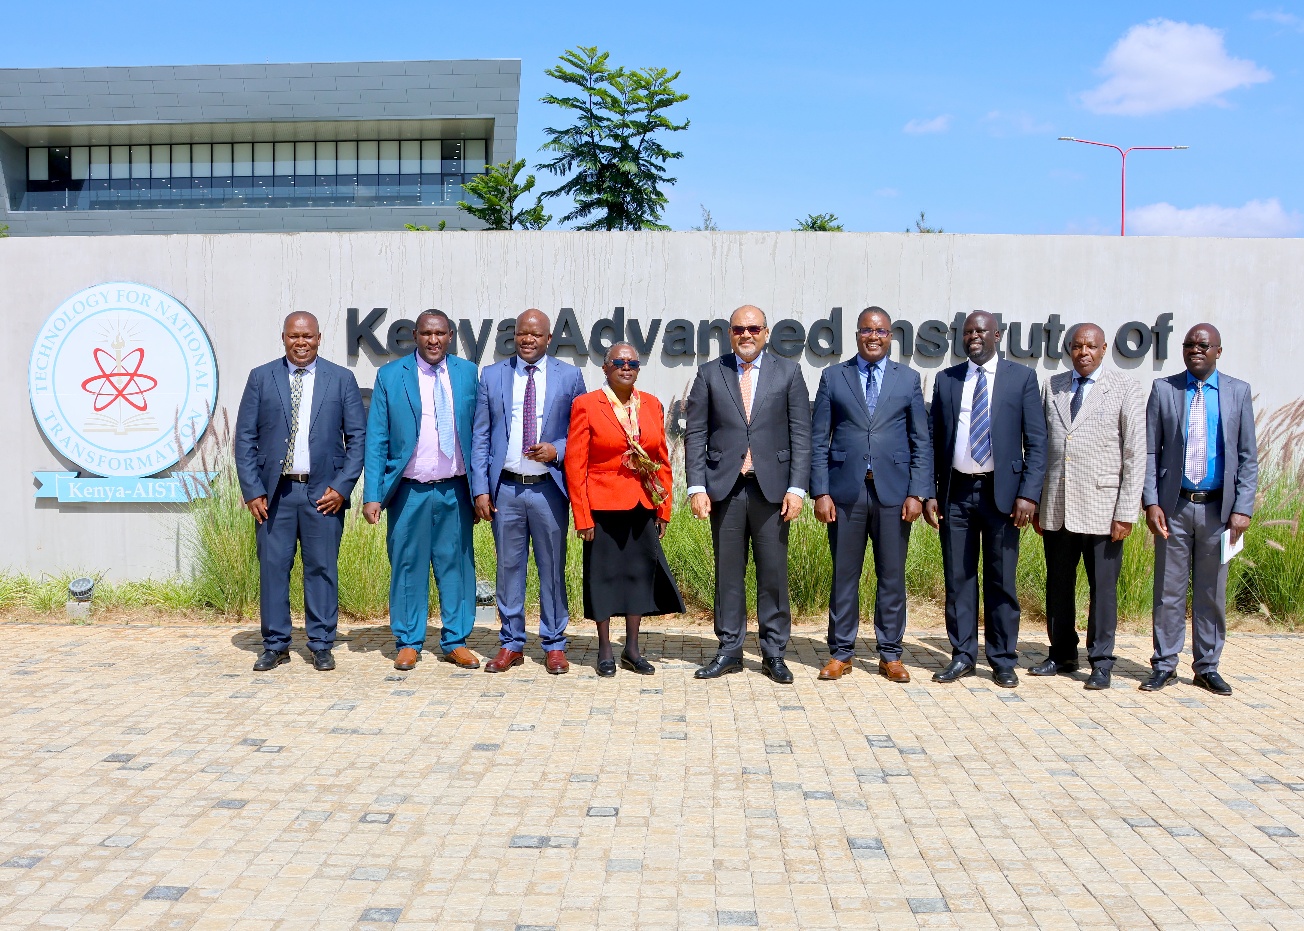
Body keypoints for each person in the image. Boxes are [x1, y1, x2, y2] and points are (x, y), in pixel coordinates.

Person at [684, 305, 812, 684]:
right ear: (729, 333)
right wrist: (696, 486)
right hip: (724, 489)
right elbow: (696, 433)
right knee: (728, 573)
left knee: (773, 573)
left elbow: (801, 434)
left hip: (772, 491)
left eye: (754, 328)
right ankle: (729, 650)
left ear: (766, 333)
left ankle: (774, 652)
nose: (746, 334)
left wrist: (797, 488)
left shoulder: (788, 373)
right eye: (739, 328)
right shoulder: (710, 373)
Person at [234, 311, 366, 672]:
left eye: (307, 336)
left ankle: (321, 643)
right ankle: (275, 644)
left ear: (319, 338)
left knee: (322, 569)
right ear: (283, 338)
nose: (301, 342)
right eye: (294, 336)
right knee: (273, 569)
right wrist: (252, 490)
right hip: (273, 495)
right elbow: (244, 438)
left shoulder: (341, 379)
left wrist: (342, 487)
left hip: (323, 495)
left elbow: (358, 440)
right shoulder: (261, 377)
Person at [924, 311, 1046, 688]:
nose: (973, 336)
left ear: (997, 335)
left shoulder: (1021, 378)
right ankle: (962, 655)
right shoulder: (947, 379)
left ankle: (1002, 659)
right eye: (967, 332)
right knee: (958, 578)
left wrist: (1028, 494)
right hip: (956, 493)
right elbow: (932, 440)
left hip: (1003, 496)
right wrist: (930, 492)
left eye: (981, 330)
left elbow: (1037, 442)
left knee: (1001, 579)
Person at [810, 307, 932, 682]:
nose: (873, 337)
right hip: (844, 493)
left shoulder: (908, 379)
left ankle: (890, 654)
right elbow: (818, 440)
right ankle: (841, 653)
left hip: (894, 493)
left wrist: (918, 492)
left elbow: (921, 441)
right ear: (857, 335)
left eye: (880, 331)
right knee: (844, 575)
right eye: (866, 330)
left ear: (890, 336)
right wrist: (820, 491)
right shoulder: (834, 377)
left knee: (891, 576)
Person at [1141, 323, 1258, 695]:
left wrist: (1243, 508)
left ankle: (1207, 667)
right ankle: (1164, 665)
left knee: (1211, 592)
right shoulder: (1165, 389)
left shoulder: (1238, 392)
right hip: (1174, 508)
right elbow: (1149, 450)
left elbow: (1248, 457)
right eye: (1189, 344)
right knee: (1168, 591)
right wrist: (1151, 501)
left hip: (1218, 511)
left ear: (1218, 351)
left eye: (1203, 345)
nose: (1195, 350)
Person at [363, 309, 481, 672]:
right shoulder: (390, 375)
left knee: (457, 566)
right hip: (408, 491)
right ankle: (409, 642)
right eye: (427, 333)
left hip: (455, 490)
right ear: (415, 335)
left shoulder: (467, 373)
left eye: (440, 333)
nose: (433, 340)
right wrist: (372, 494)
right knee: (407, 565)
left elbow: (480, 433)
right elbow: (377, 438)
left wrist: (481, 490)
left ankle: (456, 640)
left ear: (450, 336)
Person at [471, 309, 586, 675]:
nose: (528, 339)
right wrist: (480, 489)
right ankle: (511, 643)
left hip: (549, 489)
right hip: (505, 489)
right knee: (508, 569)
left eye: (536, 334)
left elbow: (581, 432)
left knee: (551, 568)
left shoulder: (569, 376)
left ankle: (554, 643)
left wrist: (557, 449)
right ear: (514, 335)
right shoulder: (492, 375)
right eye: (522, 333)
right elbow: (480, 435)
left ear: (549, 339)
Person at [1031, 323, 1145, 691]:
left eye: (1091, 346)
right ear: (1069, 350)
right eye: (1077, 346)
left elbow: (1135, 452)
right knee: (1058, 585)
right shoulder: (1053, 385)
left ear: (1104, 349)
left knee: (1103, 590)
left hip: (1104, 508)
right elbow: (1041, 446)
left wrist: (1126, 512)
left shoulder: (1125, 387)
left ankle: (1101, 661)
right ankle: (1062, 653)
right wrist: (1037, 501)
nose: (1084, 352)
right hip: (1057, 505)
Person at [565, 342, 684, 676]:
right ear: (605, 368)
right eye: (618, 362)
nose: (626, 367)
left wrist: (663, 509)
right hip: (602, 508)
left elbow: (661, 460)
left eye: (632, 362)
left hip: (641, 505)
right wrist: (582, 516)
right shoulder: (587, 405)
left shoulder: (651, 404)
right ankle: (605, 648)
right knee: (603, 578)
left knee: (638, 576)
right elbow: (575, 464)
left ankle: (632, 648)